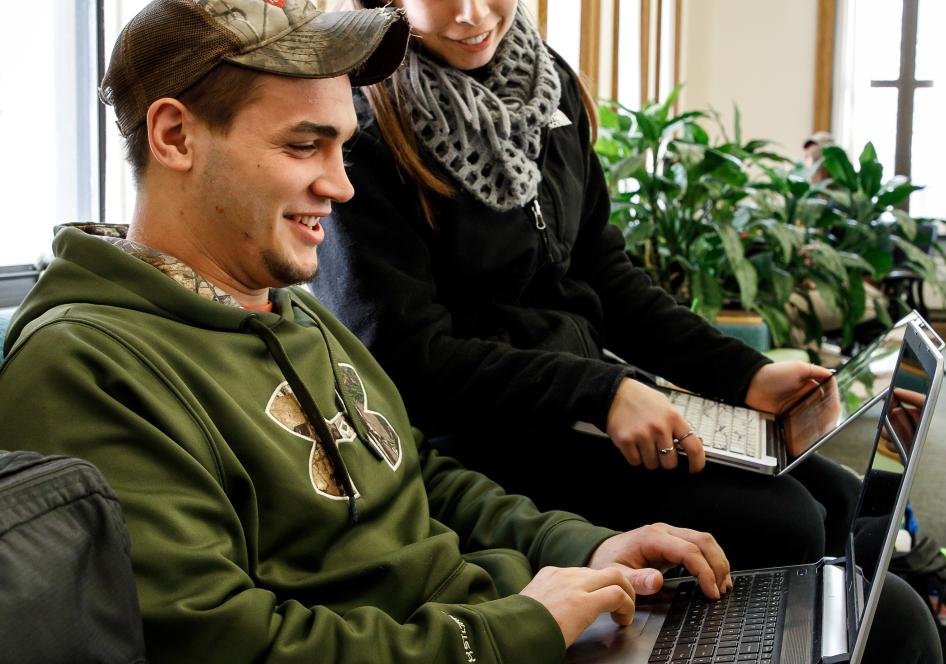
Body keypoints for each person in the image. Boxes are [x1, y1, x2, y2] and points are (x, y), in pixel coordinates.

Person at [0, 2, 739, 661]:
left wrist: (585, 545)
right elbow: (222, 640)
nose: (342, 185)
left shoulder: (292, 310)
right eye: (302, 147)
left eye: (343, 148)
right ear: (174, 135)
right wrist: (507, 632)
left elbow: (420, 477)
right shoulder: (85, 368)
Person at [312, 0, 860, 572]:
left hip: (584, 401)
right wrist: (599, 391)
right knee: (789, 524)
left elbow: (604, 275)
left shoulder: (547, 85)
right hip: (484, 437)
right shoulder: (362, 133)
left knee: (842, 494)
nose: (472, 15)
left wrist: (746, 374)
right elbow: (403, 360)